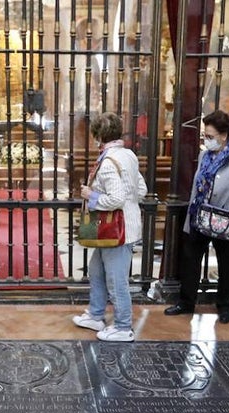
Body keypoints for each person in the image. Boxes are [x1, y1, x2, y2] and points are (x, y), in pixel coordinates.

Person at [164, 110, 229, 323]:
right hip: (200, 216)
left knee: (226, 264)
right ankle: (186, 302)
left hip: (227, 220)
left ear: (224, 135)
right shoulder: (204, 156)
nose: (206, 140)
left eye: (210, 136)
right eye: (205, 136)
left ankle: (225, 305)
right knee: (190, 260)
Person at [72, 111, 148, 342]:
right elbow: (141, 190)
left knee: (116, 281)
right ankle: (96, 315)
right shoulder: (128, 155)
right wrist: (130, 204)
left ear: (98, 135)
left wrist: (91, 196)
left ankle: (123, 327)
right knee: (97, 270)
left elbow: (116, 199)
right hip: (122, 227)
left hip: (117, 232)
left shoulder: (107, 163)